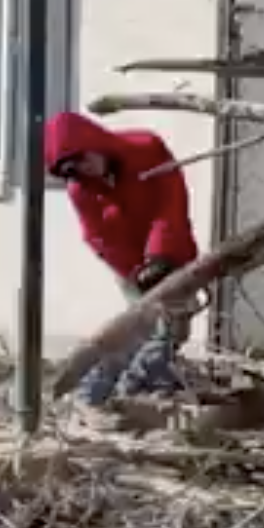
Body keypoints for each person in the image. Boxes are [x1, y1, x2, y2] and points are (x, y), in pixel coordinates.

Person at [44, 111, 200, 408]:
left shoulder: (147, 149)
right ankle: (104, 393)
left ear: (93, 142)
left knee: (176, 328)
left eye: (82, 159)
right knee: (142, 327)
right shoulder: (81, 190)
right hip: (131, 268)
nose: (84, 171)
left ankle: (142, 385)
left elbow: (171, 205)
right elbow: (98, 236)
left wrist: (159, 255)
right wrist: (136, 272)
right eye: (72, 170)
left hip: (172, 253)